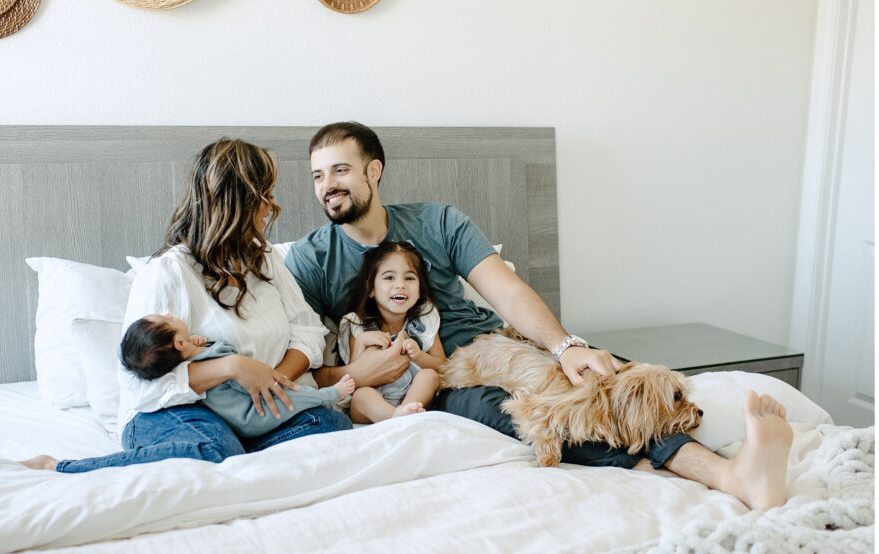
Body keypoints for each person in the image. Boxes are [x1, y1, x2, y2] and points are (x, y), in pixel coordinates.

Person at [283, 121, 794, 511]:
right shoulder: (310, 259)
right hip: (444, 379)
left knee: (623, 381)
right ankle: (728, 476)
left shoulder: (438, 221)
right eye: (318, 175)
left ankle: (725, 462)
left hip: (503, 345)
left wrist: (565, 346)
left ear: (373, 170)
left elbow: (507, 291)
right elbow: (298, 356)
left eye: (341, 170)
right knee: (542, 412)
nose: (329, 185)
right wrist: (353, 375)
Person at [21, 138, 352, 472]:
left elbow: (306, 328)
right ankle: (61, 467)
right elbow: (141, 386)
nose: (272, 206)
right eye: (264, 195)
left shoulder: (264, 260)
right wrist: (232, 367)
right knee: (214, 449)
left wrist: (270, 383)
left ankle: (233, 452)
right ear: (235, 203)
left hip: (251, 410)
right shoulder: (167, 273)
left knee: (330, 425)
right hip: (172, 411)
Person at [120, 313, 355, 438]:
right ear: (179, 343)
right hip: (253, 414)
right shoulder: (207, 364)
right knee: (292, 398)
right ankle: (330, 394)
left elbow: (193, 352)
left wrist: (194, 342)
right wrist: (245, 371)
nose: (170, 313)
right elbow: (249, 388)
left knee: (331, 421)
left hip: (240, 418)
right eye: (167, 319)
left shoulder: (189, 354)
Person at [338, 241, 444, 423]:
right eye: (389, 278)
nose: (400, 285)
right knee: (362, 395)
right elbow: (355, 379)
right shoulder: (356, 324)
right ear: (370, 288)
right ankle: (395, 418)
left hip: (411, 397)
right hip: (371, 404)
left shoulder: (424, 320)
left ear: (419, 290)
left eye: (409, 278)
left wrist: (418, 356)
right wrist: (362, 342)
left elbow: (442, 365)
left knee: (430, 376)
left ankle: (405, 413)